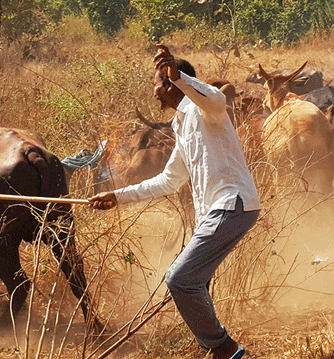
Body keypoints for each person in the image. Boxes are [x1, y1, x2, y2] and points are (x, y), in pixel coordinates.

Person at [89, 46, 259, 359]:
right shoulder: (181, 124)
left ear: (169, 84)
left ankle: (225, 349)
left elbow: (219, 99)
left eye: (157, 82)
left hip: (232, 204)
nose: (154, 91)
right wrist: (116, 196)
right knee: (197, 283)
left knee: (179, 279)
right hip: (218, 211)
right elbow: (169, 181)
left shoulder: (204, 108)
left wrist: (178, 76)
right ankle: (210, 349)